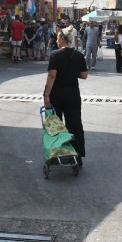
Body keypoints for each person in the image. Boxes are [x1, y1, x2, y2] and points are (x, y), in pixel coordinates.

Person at [43, 24, 89, 166]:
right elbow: (84, 75)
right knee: (75, 124)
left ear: (62, 39)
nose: (56, 40)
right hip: (73, 95)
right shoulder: (79, 55)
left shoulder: (55, 55)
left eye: (57, 38)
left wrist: (46, 95)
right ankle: (78, 154)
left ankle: (56, 153)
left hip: (57, 95)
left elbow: (52, 76)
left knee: (55, 126)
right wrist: (71, 71)